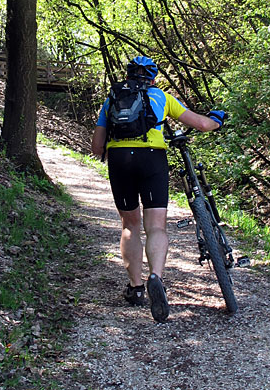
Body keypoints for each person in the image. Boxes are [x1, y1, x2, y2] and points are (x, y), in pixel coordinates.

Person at [91, 55, 225, 322]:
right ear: (153, 78)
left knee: (130, 225)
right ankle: (156, 277)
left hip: (120, 160)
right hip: (152, 158)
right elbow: (200, 124)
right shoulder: (162, 97)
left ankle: (136, 289)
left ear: (128, 75)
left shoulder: (111, 100)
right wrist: (218, 118)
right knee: (156, 226)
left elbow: (96, 148)